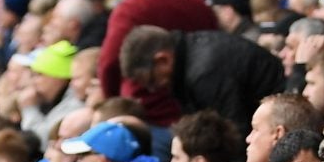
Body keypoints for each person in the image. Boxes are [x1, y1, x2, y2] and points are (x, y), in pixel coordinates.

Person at [116, 23, 289, 130]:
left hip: (280, 118)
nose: (155, 88)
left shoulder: (204, 74)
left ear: (163, 59)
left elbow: (234, 128)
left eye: (152, 81)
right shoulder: (193, 48)